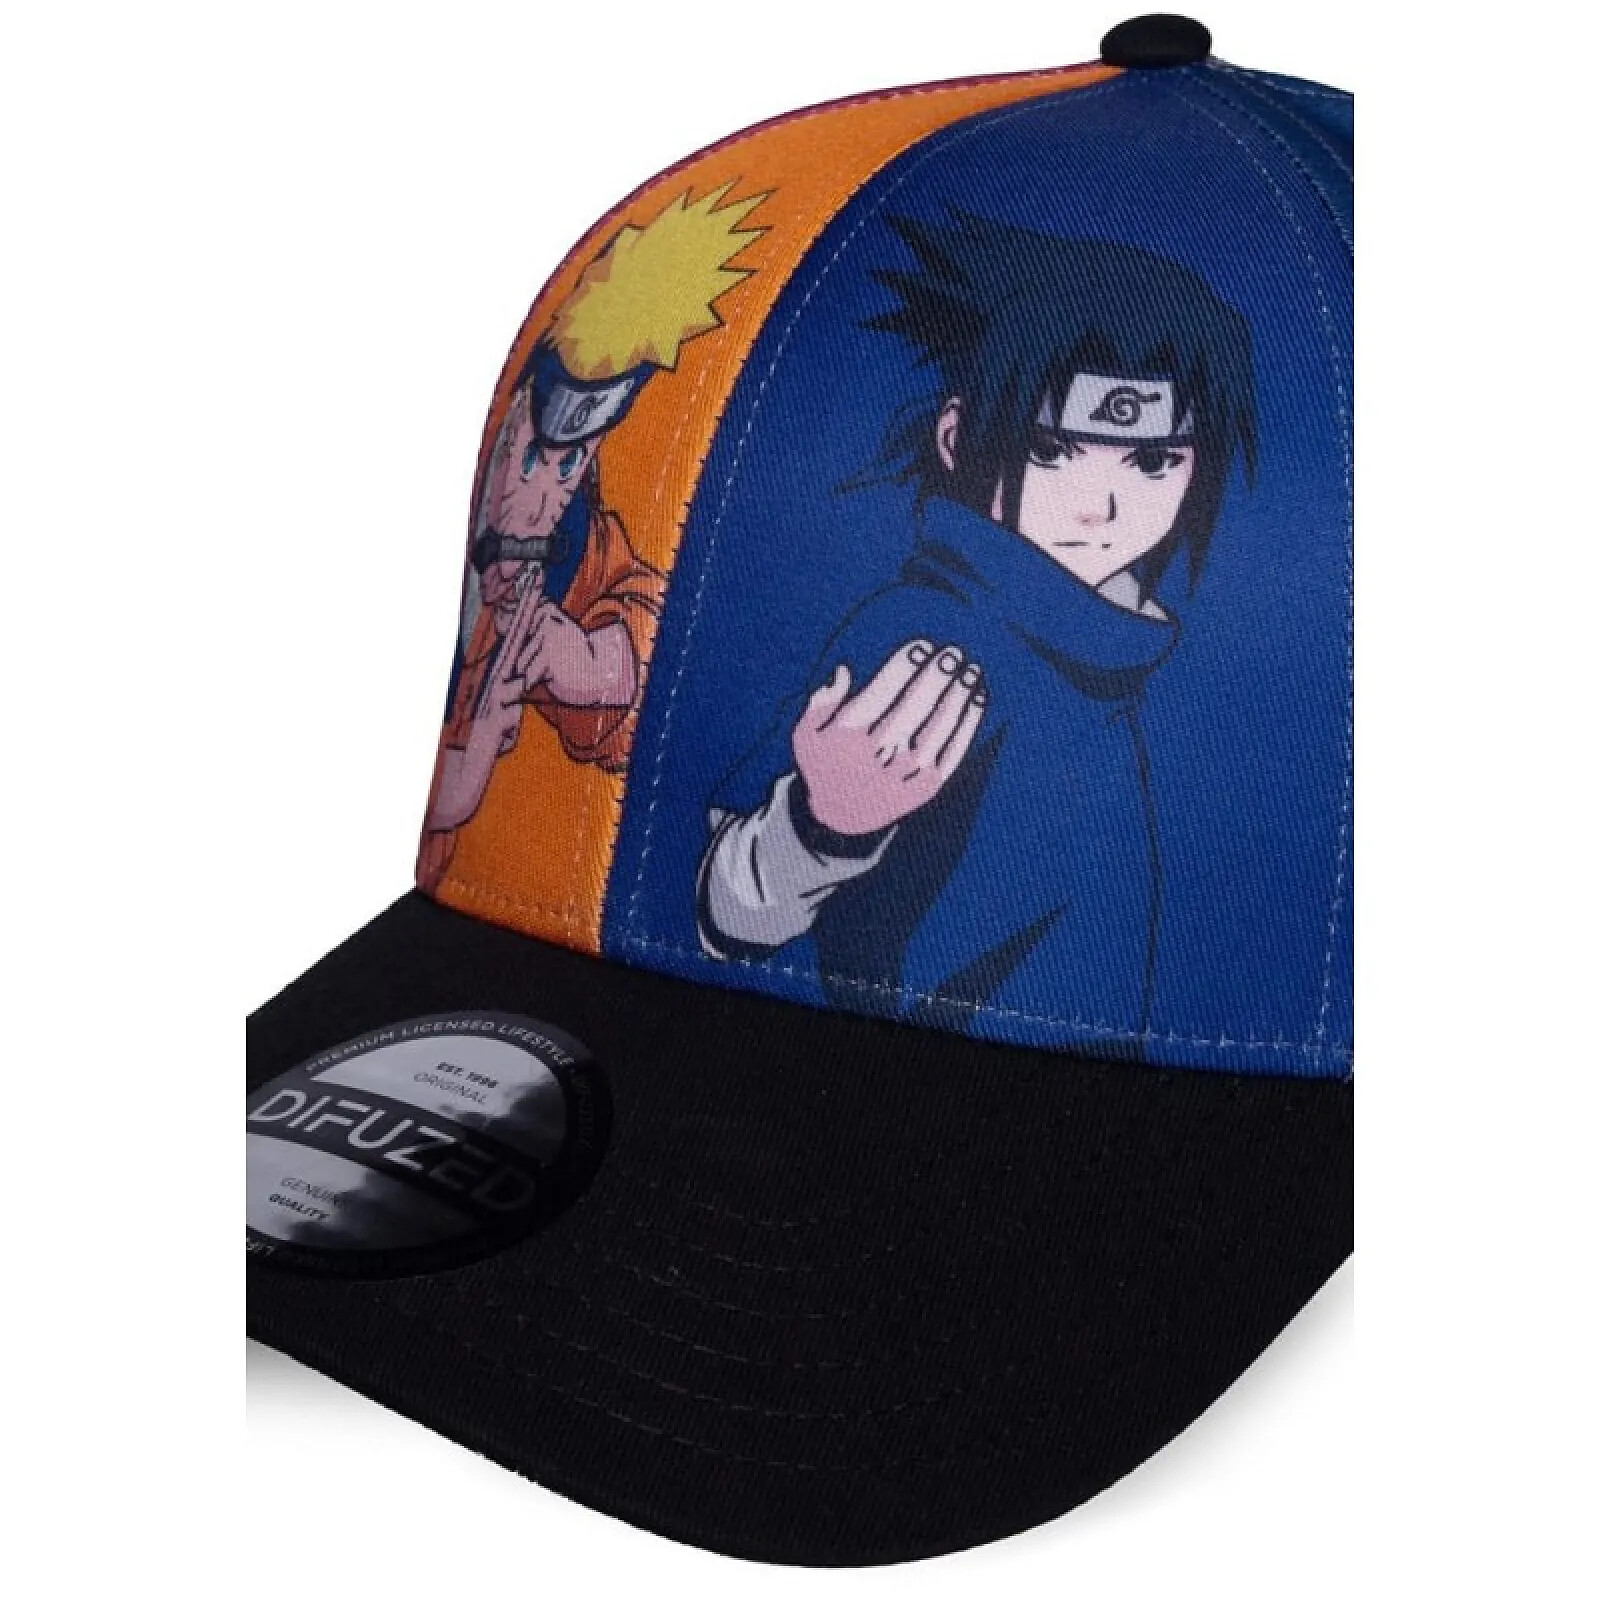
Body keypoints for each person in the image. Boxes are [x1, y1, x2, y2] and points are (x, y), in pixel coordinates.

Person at [697, 214, 1257, 1040]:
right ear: (958, 438)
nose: (1101, 508)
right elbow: (725, 914)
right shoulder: (924, 632)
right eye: (1051, 451)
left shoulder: (1111, 658)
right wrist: (822, 827)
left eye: (1151, 462)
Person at [420, 184, 767, 891]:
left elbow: (630, 599)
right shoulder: (539, 540)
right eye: (530, 458)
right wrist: (473, 762)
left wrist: (608, 666)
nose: (545, 493)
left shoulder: (575, 546)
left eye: (569, 465)